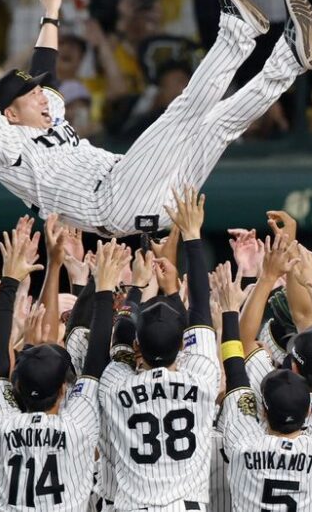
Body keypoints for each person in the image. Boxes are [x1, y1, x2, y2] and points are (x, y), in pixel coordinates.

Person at [0, 0, 312, 237]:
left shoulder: (48, 113)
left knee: (217, 125)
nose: (42, 95)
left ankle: (288, 58)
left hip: (157, 197)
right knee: (181, 114)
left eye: (38, 91)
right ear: (9, 113)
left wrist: (51, 14)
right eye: (30, 95)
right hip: (112, 201)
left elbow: (47, 70)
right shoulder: (4, 146)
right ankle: (235, 32)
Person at [0, 231, 120, 511]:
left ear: (16, 387)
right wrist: (104, 288)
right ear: (63, 390)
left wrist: (7, 285)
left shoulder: (0, 426)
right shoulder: (77, 427)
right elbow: (93, 365)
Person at [97, 187, 219, 509]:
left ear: (139, 345)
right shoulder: (203, 380)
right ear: (182, 345)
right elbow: (201, 313)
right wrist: (191, 235)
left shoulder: (116, 387)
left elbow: (120, 338)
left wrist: (136, 287)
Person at [218, 248, 312, 511]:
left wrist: (238, 304)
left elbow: (237, 358)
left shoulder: (244, 445)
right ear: (311, 408)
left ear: (263, 411)